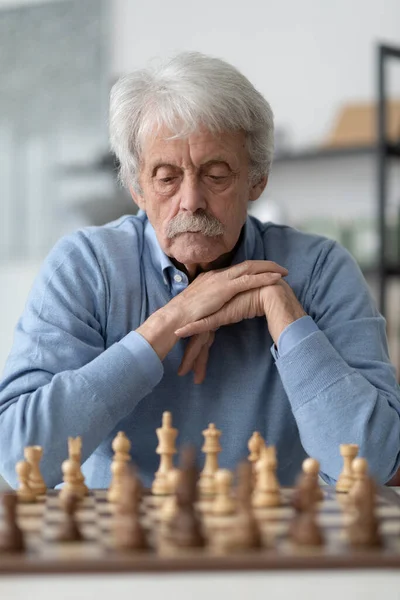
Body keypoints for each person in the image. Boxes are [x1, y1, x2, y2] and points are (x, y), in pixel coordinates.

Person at [0, 52, 399, 490]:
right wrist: (168, 323)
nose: (190, 200)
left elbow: (373, 465)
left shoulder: (320, 269)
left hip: (276, 547)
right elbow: (19, 459)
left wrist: (282, 307)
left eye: (215, 174)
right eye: (167, 177)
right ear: (136, 187)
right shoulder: (85, 267)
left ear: (257, 179)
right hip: (120, 549)